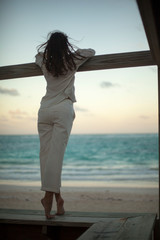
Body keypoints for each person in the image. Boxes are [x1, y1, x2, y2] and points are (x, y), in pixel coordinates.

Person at [35, 31, 95, 219]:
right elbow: (91, 51)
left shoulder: (44, 61)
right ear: (66, 45)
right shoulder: (72, 60)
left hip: (44, 109)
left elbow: (36, 56)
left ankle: (58, 201)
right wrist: (70, 53)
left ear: (49, 46)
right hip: (62, 109)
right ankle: (48, 198)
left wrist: (49, 53)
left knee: (46, 155)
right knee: (55, 157)